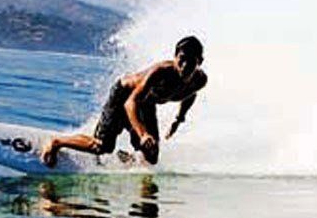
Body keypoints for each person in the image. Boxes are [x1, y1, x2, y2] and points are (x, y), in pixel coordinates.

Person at [43, 36, 207, 167]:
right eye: (181, 59)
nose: (185, 66)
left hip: (146, 104)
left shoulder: (199, 81)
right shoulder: (161, 72)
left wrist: (178, 120)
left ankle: (127, 158)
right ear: (175, 57)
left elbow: (190, 95)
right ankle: (57, 142)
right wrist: (142, 134)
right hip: (124, 95)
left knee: (151, 156)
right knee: (102, 147)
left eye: (191, 61)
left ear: (200, 61)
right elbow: (130, 102)